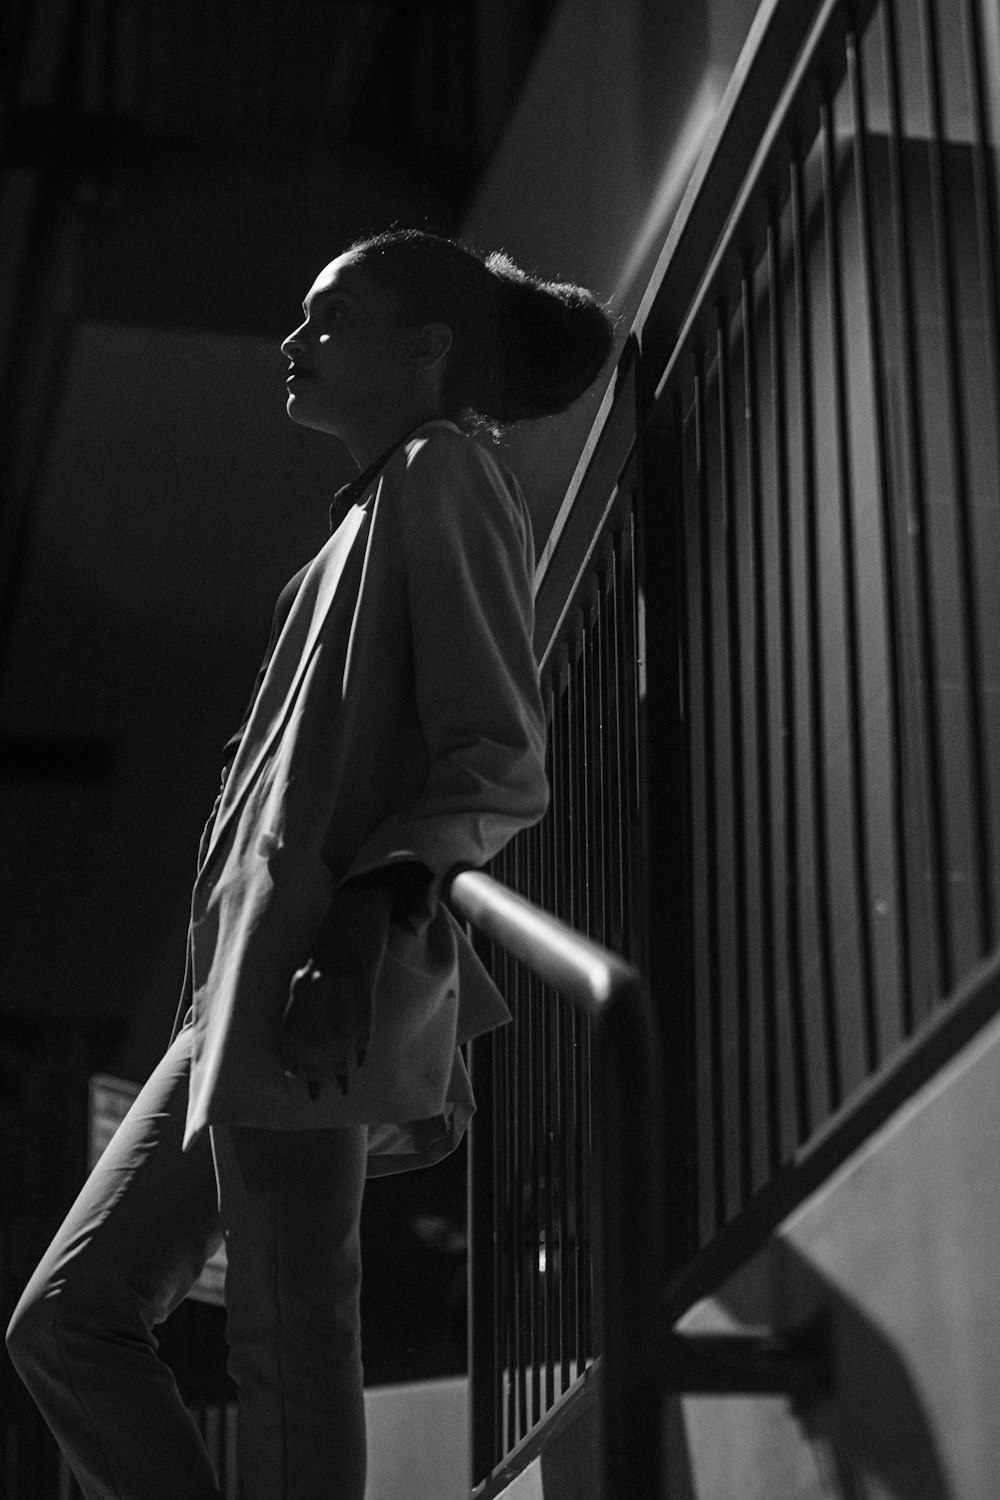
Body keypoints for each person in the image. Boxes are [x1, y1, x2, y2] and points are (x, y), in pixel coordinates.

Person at [6, 228, 615, 1499]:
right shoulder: (374, 505)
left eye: (327, 321)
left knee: (289, 1336)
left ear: (427, 347)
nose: (292, 345)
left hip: (315, 973)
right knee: (67, 1322)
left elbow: (496, 754)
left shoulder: (445, 472)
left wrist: (358, 925)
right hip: (239, 987)